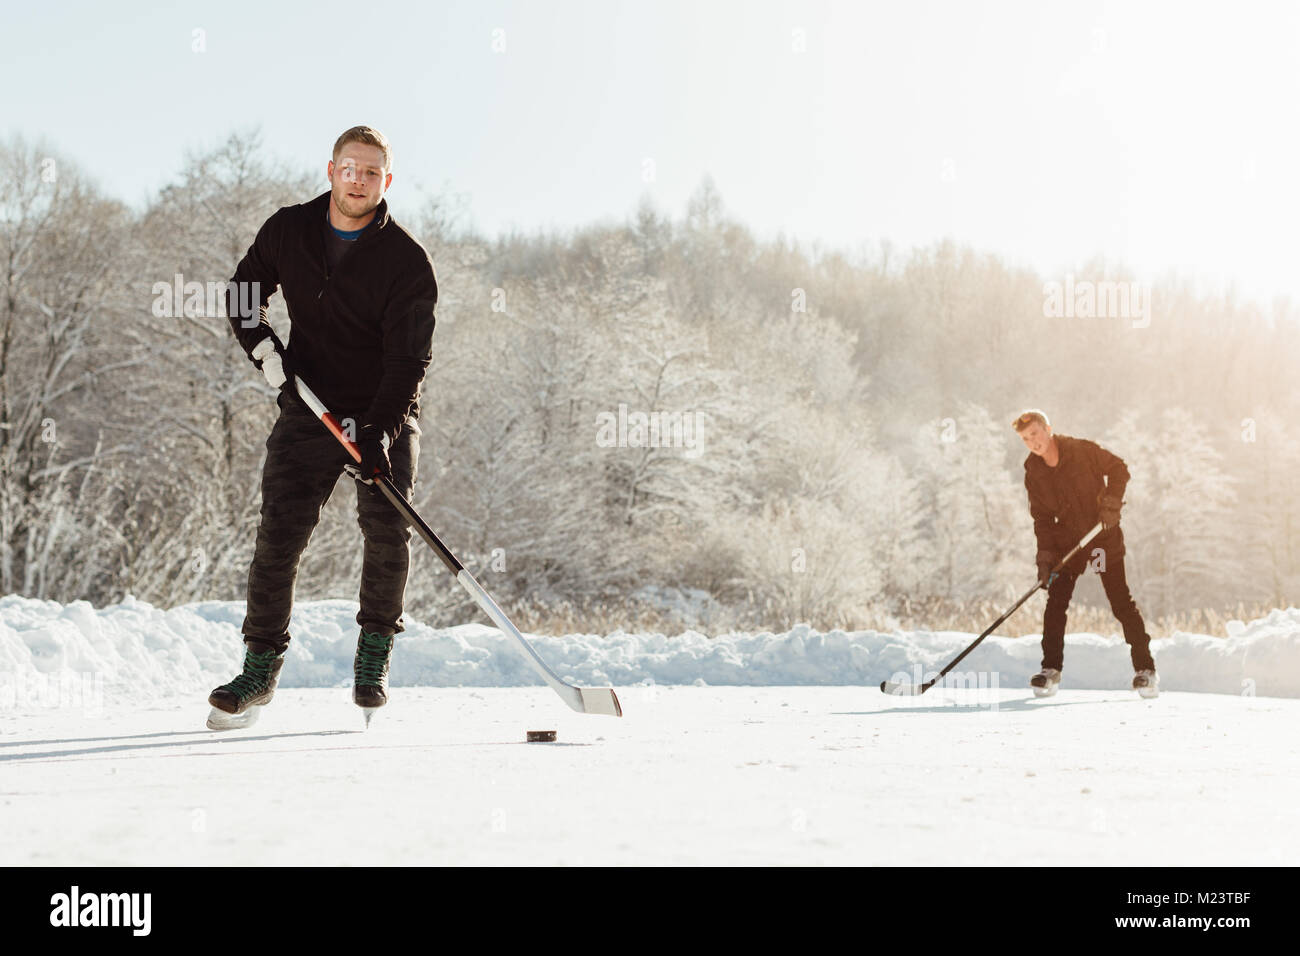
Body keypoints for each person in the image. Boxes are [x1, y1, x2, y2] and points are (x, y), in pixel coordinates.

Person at [208, 126, 438, 725]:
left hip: (382, 409)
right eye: (349, 167)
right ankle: (258, 672)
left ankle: (372, 663)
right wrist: (265, 353)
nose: (357, 180)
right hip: (309, 405)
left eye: (371, 172)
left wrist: (380, 433)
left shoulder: (407, 262)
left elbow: (408, 361)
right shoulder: (289, 229)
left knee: (387, 534)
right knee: (277, 538)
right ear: (330, 169)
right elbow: (243, 296)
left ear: (386, 182)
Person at [1013, 409, 1158, 698]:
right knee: (1056, 603)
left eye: (1035, 434)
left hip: (1100, 539)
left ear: (1048, 429)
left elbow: (1119, 468)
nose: (1033, 442)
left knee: (1119, 601)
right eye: (1026, 439)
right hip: (1069, 546)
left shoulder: (1081, 451)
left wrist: (1111, 502)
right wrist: (1045, 558)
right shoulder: (1034, 472)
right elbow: (1041, 518)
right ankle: (1050, 671)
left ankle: (1146, 671)